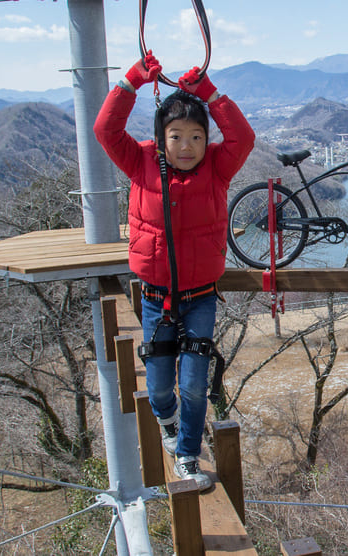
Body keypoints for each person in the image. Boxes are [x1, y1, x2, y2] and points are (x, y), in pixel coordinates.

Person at [93, 53, 255, 490]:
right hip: (154, 297)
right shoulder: (141, 162)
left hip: (200, 296)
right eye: (177, 136)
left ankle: (187, 454)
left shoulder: (218, 168)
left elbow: (243, 137)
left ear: (207, 140)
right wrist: (130, 83)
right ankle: (167, 421)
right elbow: (105, 130)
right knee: (161, 386)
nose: (187, 146)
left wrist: (210, 94)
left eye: (197, 136)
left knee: (195, 385)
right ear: (161, 138)